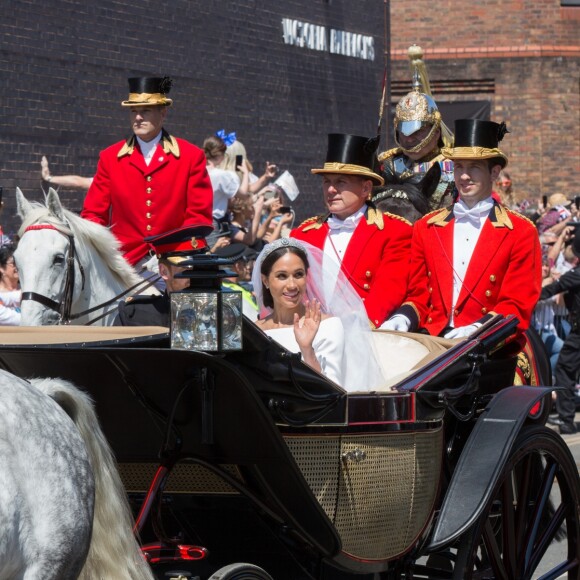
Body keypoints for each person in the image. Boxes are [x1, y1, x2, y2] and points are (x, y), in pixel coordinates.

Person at [383, 119, 542, 346]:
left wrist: (478, 330)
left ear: (494, 172)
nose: (464, 176)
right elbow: (419, 294)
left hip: (491, 343)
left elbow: (517, 303)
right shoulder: (426, 227)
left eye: (474, 167)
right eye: (459, 167)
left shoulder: (521, 231)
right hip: (434, 339)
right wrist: (403, 317)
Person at [81, 76, 213, 269]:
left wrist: (176, 258)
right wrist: (102, 252)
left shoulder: (190, 156)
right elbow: (93, 214)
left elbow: (198, 216)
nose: (138, 117)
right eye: (133, 111)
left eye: (145, 111)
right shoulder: (110, 158)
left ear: (163, 113)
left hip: (176, 260)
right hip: (125, 262)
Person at [291, 133, 412, 328]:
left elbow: (388, 290)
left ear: (365, 188)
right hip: (308, 333)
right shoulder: (303, 233)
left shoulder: (394, 232)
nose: (331, 190)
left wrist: (352, 326)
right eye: (327, 182)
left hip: (362, 334)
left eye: (340, 182)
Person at [251, 237, 386, 392]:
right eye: (282, 276)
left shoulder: (327, 325)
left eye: (298, 275)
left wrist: (307, 350)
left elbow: (331, 391)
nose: (292, 285)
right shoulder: (256, 331)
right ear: (265, 281)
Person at [377, 47, 455, 211]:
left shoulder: (453, 166)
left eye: (418, 131)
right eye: (403, 130)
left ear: (436, 132)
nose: (409, 138)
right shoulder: (389, 164)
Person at [114, 226, 210, 327]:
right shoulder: (134, 316)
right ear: (164, 271)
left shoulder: (222, 311)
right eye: (187, 271)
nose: (195, 277)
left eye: (200, 269)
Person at [539, 233, 580, 435]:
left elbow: (551, 290)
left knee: (564, 370)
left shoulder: (575, 275)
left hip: (578, 334)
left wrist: (526, 297)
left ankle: (566, 420)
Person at [0, 245, 21, 325]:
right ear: (1, 268)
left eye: (19, 262)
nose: (17, 266)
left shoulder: (27, 290)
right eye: (13, 263)